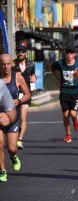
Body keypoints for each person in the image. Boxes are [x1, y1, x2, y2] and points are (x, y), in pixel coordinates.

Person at [0, 54, 31, 182]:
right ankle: (2, 170)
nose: (6, 66)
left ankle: (13, 156)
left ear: (11, 65)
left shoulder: (17, 77)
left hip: (12, 117)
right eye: (3, 64)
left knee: (12, 148)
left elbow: (28, 94)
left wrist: (18, 101)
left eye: (8, 64)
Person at [49, 45, 78, 143]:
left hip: (75, 92)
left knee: (72, 113)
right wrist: (58, 78)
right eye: (68, 53)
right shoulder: (61, 63)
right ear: (65, 54)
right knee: (66, 114)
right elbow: (51, 66)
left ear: (74, 54)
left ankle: (75, 119)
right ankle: (68, 134)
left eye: (71, 53)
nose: (69, 55)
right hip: (64, 91)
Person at [12, 45, 36, 150]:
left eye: (22, 51)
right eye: (18, 51)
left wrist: (34, 77)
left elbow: (33, 75)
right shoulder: (12, 64)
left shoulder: (31, 64)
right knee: (14, 117)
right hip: (14, 95)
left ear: (25, 53)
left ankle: (19, 140)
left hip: (26, 94)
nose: (20, 53)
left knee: (22, 116)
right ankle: (13, 136)